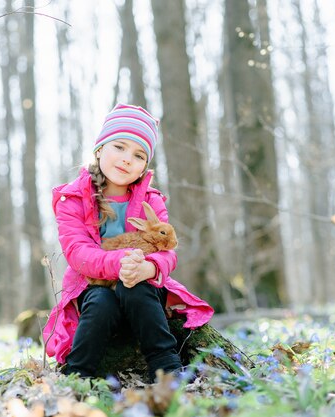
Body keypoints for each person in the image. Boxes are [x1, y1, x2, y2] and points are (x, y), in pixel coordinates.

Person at [42, 103, 214, 380]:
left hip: (141, 285)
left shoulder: (151, 199)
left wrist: (150, 268)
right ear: (99, 149)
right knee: (100, 303)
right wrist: (120, 262)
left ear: (145, 165)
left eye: (138, 155)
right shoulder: (72, 198)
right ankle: (79, 375)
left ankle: (166, 366)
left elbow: (168, 251)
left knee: (136, 288)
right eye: (119, 147)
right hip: (94, 285)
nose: (126, 159)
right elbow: (77, 252)